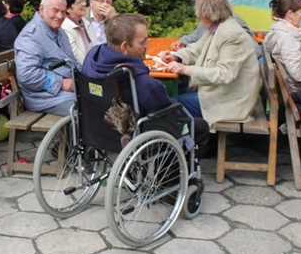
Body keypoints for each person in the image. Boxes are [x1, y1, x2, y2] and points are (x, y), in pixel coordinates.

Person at [81, 13, 211, 152]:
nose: (147, 45)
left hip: (95, 130)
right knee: (199, 126)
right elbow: (168, 110)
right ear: (125, 46)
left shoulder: (92, 57)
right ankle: (171, 174)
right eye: (142, 42)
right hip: (132, 135)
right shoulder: (142, 82)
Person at [161, 0, 261, 130]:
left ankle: (189, 144)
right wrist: (176, 57)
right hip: (223, 94)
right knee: (171, 96)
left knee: (169, 104)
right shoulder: (218, 27)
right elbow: (197, 48)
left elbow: (224, 74)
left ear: (205, 13)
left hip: (231, 102)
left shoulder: (231, 34)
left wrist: (185, 69)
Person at [14, 0, 80, 115]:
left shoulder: (60, 32)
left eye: (64, 12)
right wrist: (61, 83)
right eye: (55, 10)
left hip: (68, 89)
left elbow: (72, 61)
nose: (60, 16)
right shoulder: (30, 36)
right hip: (44, 97)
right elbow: (26, 74)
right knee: (87, 107)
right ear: (42, 9)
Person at [263, 0, 301, 108]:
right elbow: (298, 74)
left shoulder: (279, 32)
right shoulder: (288, 38)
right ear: (290, 14)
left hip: (293, 93)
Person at [60, 0, 95, 64]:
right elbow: (76, 56)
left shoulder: (86, 23)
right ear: (68, 8)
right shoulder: (64, 27)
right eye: (79, 2)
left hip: (93, 65)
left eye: (84, 1)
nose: (84, 4)